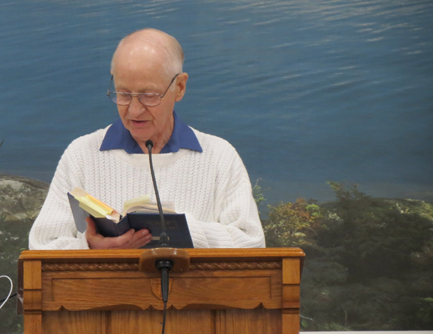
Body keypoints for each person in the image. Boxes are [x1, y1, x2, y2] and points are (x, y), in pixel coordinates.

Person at [28, 28, 265, 250]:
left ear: (179, 87)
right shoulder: (81, 154)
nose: (134, 111)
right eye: (123, 94)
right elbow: (42, 244)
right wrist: (89, 247)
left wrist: (179, 230)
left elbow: (252, 243)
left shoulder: (219, 156)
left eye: (148, 96)